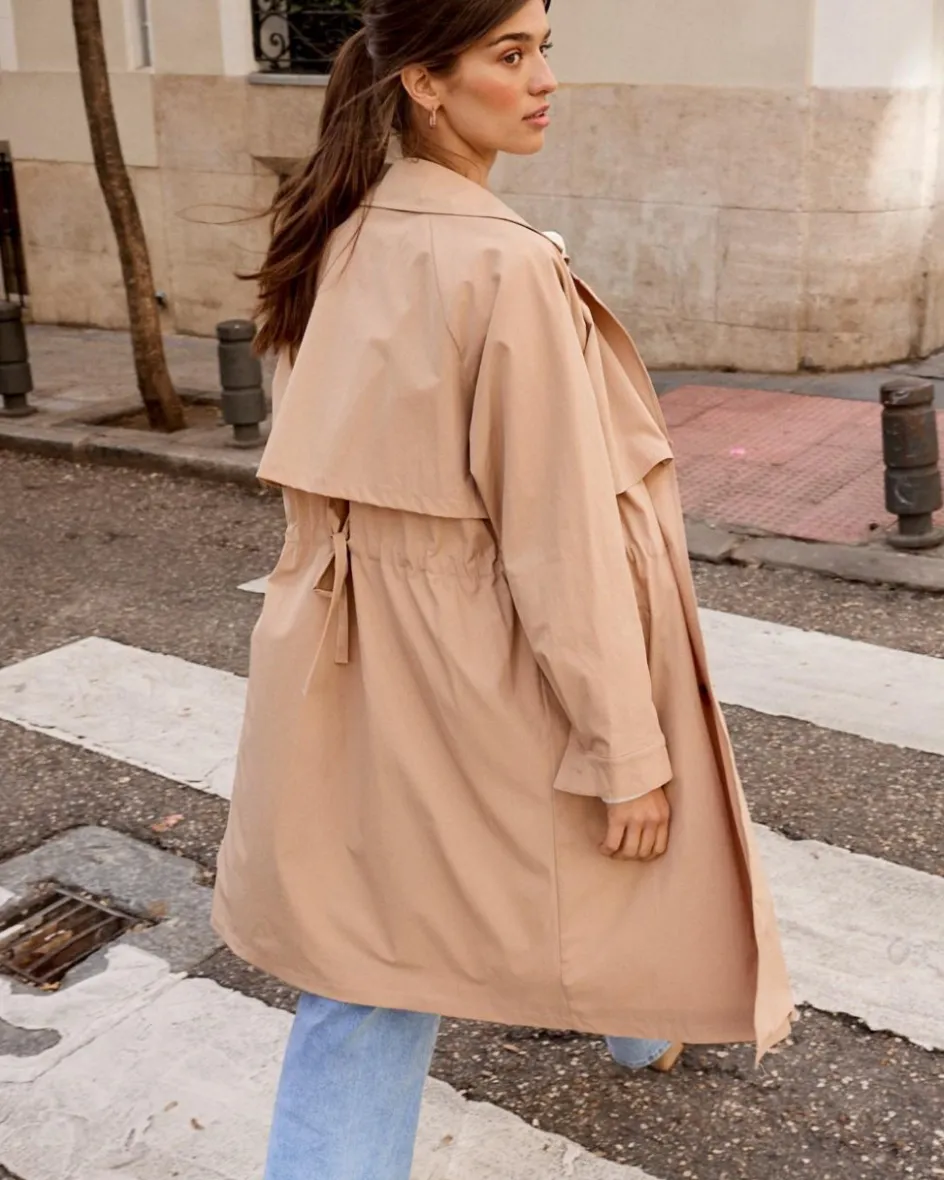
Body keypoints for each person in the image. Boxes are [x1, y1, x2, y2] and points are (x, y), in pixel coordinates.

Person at [212, 1, 795, 1175]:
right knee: (435, 929)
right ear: (425, 84)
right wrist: (623, 744)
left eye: (543, 50)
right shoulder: (501, 264)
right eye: (508, 54)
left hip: (341, 636)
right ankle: (640, 1015)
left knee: (367, 928)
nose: (542, 82)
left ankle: (638, 1023)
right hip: (467, 643)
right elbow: (554, 537)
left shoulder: (336, 228)